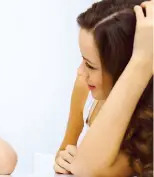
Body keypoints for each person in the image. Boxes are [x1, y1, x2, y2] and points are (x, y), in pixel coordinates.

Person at [54, 0, 153, 176]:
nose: (80, 72)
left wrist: (141, 61)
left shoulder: (147, 120)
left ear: (123, 68)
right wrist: (63, 160)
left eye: (90, 66)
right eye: (82, 60)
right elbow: (65, 154)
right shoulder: (84, 89)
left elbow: (86, 169)